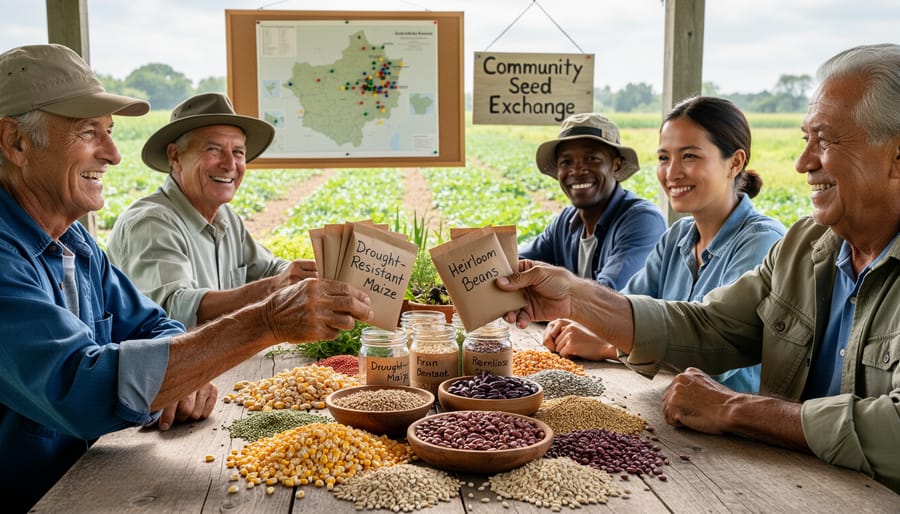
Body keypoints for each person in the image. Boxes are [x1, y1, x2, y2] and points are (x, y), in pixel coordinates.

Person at [497, 43, 900, 493]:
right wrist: (577, 298)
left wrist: (737, 409)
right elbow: (712, 328)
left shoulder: (760, 238)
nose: (803, 162)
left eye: (824, 140)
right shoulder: (805, 247)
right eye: (805, 139)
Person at [0, 44, 373, 512]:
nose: (114, 154)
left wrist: (182, 374)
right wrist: (264, 322)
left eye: (110, 133)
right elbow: (78, 388)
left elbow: (153, 324)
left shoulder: (75, 243)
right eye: (88, 132)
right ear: (15, 142)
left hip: (95, 475)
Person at [544, 96, 786, 393]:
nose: (671, 173)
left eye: (689, 156)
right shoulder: (678, 236)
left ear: (734, 162)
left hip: (734, 427)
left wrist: (608, 345)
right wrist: (592, 324)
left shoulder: (761, 241)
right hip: (673, 407)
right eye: (663, 158)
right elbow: (626, 311)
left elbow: (717, 355)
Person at [107, 92, 317, 328]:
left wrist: (311, 273)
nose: (229, 164)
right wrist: (275, 285)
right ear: (175, 156)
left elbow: (268, 270)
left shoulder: (225, 218)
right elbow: (172, 309)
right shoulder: (151, 223)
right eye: (214, 150)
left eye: (238, 152)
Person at [518, 112, 667, 289]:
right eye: (566, 161)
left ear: (616, 165)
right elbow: (516, 263)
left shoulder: (642, 220)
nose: (578, 170)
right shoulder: (566, 222)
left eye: (591, 158)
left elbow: (608, 296)